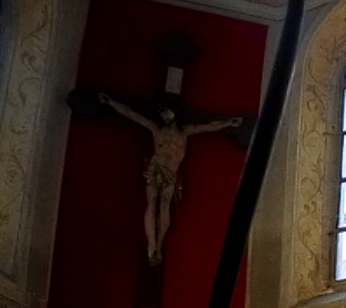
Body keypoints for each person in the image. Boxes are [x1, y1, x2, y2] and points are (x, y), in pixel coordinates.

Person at [98, 93, 243, 266]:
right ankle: (151, 245)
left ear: (174, 112)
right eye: (162, 113)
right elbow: (132, 114)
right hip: (156, 166)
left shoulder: (185, 131)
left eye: (166, 112)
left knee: (164, 203)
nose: (165, 116)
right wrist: (111, 102)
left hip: (170, 171)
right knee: (153, 202)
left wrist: (228, 123)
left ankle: (158, 245)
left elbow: (208, 126)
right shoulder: (156, 129)